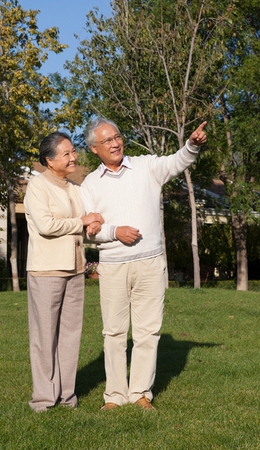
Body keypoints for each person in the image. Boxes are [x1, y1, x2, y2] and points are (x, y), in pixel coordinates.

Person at [80, 117, 207, 411]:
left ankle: (140, 393)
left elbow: (176, 162)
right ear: (94, 149)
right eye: (107, 140)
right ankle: (114, 396)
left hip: (150, 264)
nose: (115, 143)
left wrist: (191, 145)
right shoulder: (88, 185)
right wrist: (116, 231)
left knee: (147, 332)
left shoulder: (146, 167)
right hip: (112, 266)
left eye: (117, 137)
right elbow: (90, 231)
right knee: (113, 333)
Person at [24, 131, 104, 412]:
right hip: (46, 270)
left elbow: (87, 222)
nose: (74, 157)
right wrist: (81, 222)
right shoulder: (37, 185)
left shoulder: (74, 188)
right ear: (49, 160)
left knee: (70, 335)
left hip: (75, 269)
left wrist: (93, 223)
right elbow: (47, 225)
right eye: (67, 153)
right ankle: (44, 399)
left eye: (73, 151)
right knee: (45, 337)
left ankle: (66, 396)